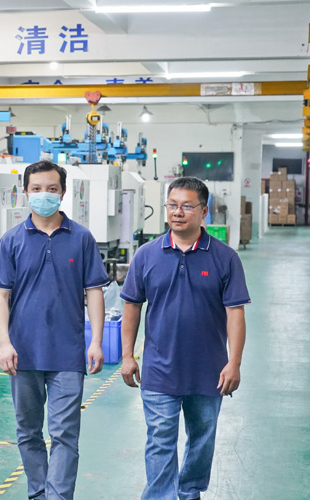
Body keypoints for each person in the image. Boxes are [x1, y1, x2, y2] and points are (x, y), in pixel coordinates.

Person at [120, 176, 249, 500]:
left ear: (204, 211)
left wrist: (234, 363)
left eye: (187, 206)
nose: (178, 213)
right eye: (172, 205)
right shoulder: (146, 255)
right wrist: (127, 356)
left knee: (202, 438)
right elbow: (132, 305)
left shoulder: (225, 258)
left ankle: (189, 490)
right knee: (160, 439)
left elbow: (235, 313)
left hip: (209, 370)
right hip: (159, 368)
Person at [0, 160, 109, 500]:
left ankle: (58, 497)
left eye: (52, 189)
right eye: (37, 189)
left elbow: (94, 292)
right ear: (25, 193)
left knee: (65, 434)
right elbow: (0, 295)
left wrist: (96, 341)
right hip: (22, 353)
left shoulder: (82, 238)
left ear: (63, 193)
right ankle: (38, 493)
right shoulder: (12, 240)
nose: (44, 195)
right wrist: (4, 343)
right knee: (27, 431)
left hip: (68, 353)